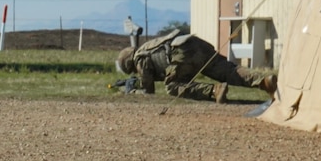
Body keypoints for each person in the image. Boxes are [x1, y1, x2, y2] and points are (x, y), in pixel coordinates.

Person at [116, 30, 274, 99]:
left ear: (129, 64)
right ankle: (264, 81)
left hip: (181, 52)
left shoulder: (140, 58)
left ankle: (214, 91)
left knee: (173, 86)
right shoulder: (147, 48)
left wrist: (131, 92)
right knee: (230, 71)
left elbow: (148, 92)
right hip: (197, 44)